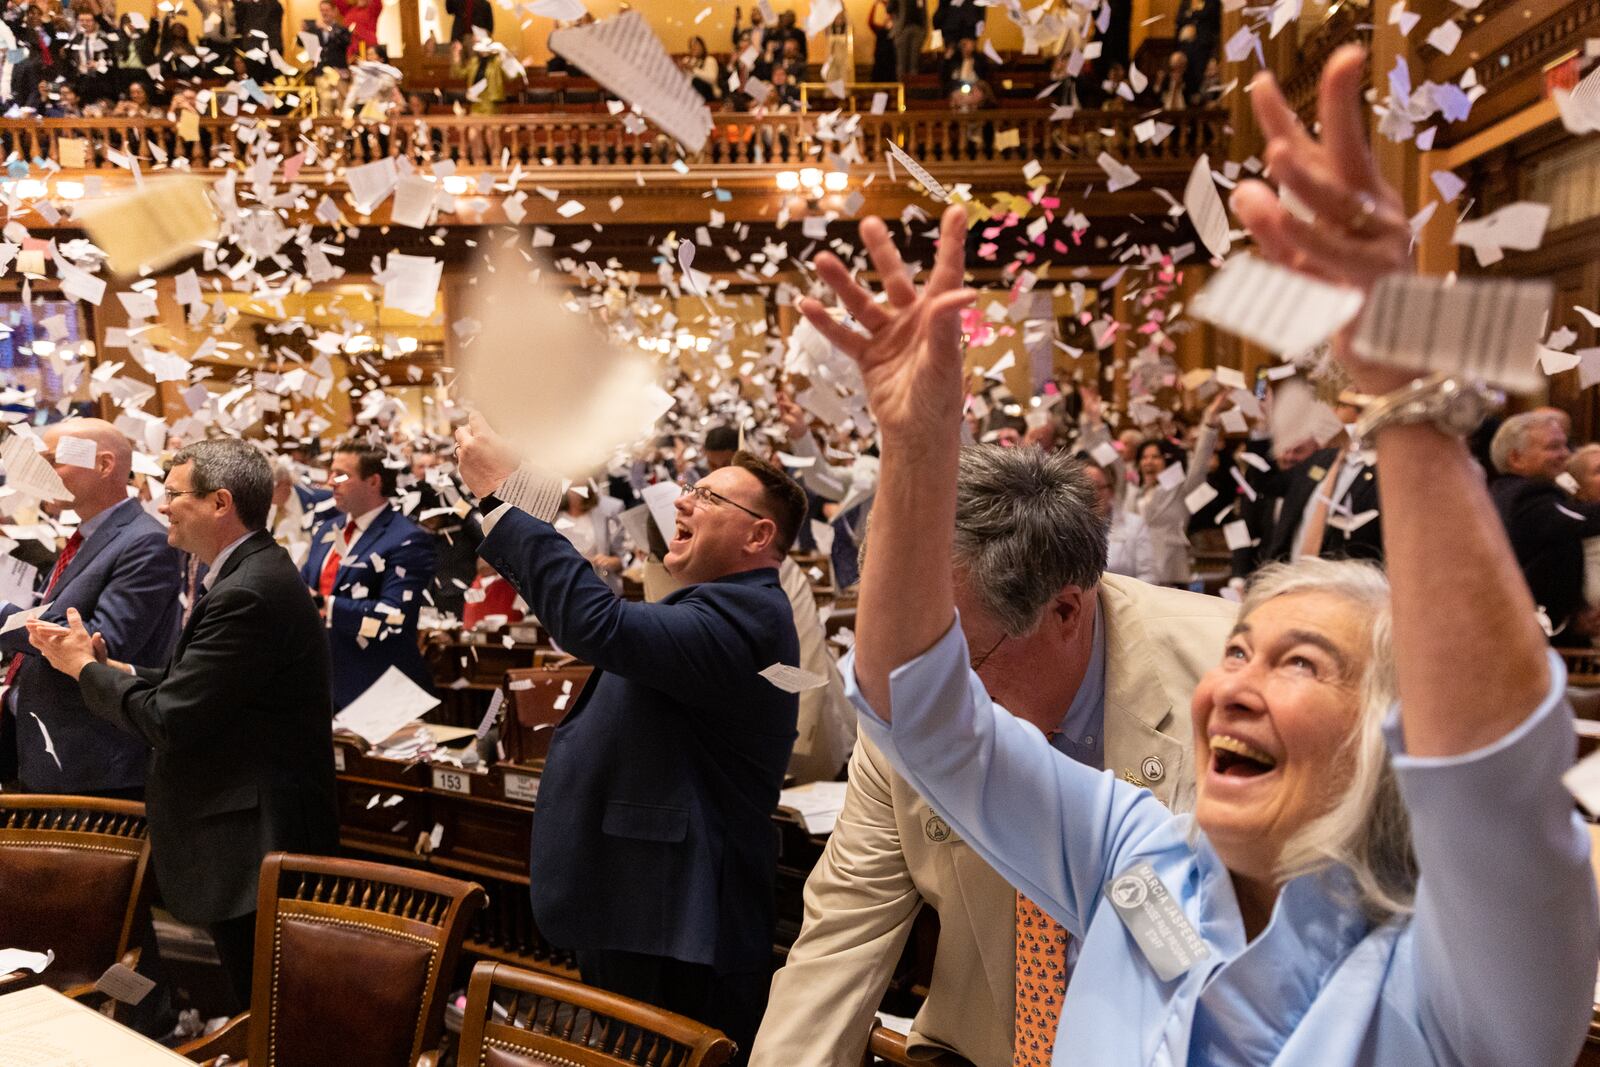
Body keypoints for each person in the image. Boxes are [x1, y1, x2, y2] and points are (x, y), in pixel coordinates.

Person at [799, 44, 1597, 1067]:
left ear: (1389, 735)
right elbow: (925, 713)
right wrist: (916, 451)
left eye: (1299, 660)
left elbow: (1492, 780)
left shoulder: (1459, 976)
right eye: (1238, 650)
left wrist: (1406, 396)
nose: (1230, 687)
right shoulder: (1139, 852)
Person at [752, 446, 1233, 1065]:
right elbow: (837, 946)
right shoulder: (908, 698)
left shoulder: (1232, 685)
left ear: (1064, 609)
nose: (919, 701)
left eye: (954, 664)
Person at [454, 416, 807, 1065]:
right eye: (690, 489)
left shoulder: (749, 614)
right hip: (645, 907)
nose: (684, 500)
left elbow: (598, 623)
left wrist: (503, 495)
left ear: (760, 534)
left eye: (709, 497)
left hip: (677, 920)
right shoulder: (711, 605)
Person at [27, 439, 339, 1009]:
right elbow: (200, 685)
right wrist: (113, 666)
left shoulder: (248, 589)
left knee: (265, 1006)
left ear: (220, 503)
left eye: (172, 495)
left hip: (255, 838)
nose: (161, 506)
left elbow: (171, 718)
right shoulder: (245, 570)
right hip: (245, 826)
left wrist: (81, 670)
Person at [0, 419, 182, 796]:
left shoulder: (145, 541)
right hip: (43, 747)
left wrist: (2, 613)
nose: (41, 471)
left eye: (53, 460)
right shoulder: (86, 536)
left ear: (104, 465)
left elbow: (98, 641)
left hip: (92, 762)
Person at [300, 441, 438, 708]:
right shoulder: (327, 530)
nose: (331, 482)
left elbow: (393, 616)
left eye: (342, 475)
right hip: (324, 683)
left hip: (380, 686)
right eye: (331, 473)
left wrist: (323, 604)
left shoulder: (408, 538)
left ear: (373, 481)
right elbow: (305, 586)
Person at [1489, 410, 1600, 641]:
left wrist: (1573, 616)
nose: (1565, 454)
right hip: (1524, 637)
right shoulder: (1524, 496)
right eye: (1553, 447)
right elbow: (1581, 519)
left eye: (1564, 445)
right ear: (1516, 458)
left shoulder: (1510, 492)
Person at [1126, 397, 1223, 586]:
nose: (1149, 462)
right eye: (1145, 457)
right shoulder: (1134, 493)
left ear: (1166, 462)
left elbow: (1200, 464)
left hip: (1170, 574)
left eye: (1155, 457)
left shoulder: (1179, 490)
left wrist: (1209, 425)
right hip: (1137, 573)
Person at [1261, 435, 1383, 566]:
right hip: (1290, 574)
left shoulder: (1383, 471)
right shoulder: (1321, 459)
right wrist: (1260, 431)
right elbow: (1268, 484)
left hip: (1340, 577)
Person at [1083, 458, 1158, 584]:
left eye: (1097, 487)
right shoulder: (1067, 527)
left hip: (1126, 600)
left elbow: (1148, 575)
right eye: (1085, 488)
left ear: (1111, 491)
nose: (1092, 494)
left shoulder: (1135, 525)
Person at [889, 0, 925, 81]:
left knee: (914, 64)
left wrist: (924, 30)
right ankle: (902, 89)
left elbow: (923, 12)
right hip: (902, 29)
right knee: (902, 64)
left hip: (917, 29)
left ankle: (912, 90)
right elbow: (889, 8)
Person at [681, 34, 719, 102]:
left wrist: (693, 70)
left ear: (702, 47)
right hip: (689, 92)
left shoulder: (709, 60)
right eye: (692, 46)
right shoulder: (686, 60)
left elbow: (712, 79)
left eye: (696, 45)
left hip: (708, 91)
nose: (694, 48)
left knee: (697, 82)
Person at [867, 0, 895, 82]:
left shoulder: (895, 31)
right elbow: (870, 22)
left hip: (890, 62)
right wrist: (875, 5)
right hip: (880, 61)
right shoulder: (880, 30)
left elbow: (893, 14)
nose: (887, 18)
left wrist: (884, 4)